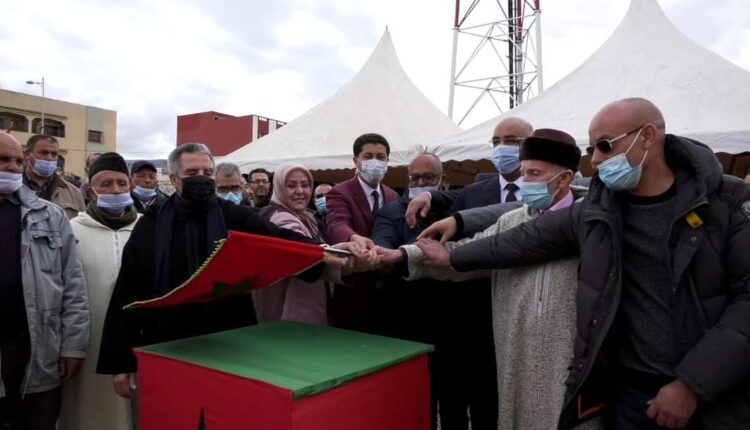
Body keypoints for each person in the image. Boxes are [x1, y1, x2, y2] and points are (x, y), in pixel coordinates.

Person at [420, 98, 750, 429]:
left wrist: (692, 384)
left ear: (648, 136)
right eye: (592, 149)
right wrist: (452, 255)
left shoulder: (729, 203)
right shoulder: (599, 209)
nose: (595, 160)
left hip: (713, 398)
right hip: (629, 395)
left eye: (605, 146)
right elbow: (525, 237)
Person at [97, 143, 365, 401]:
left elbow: (278, 241)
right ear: (174, 179)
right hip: (169, 339)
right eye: (192, 173)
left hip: (229, 336)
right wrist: (121, 360)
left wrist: (325, 251)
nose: (201, 178)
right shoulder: (152, 224)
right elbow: (128, 291)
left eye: (207, 172)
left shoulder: (232, 215)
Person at [378, 130, 597, 430]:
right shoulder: (511, 221)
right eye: (523, 173)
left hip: (567, 358)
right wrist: (403, 255)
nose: (525, 182)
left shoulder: (591, 223)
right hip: (514, 351)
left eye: (534, 174)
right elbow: (466, 253)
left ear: (565, 178)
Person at [0, 132, 89, 430]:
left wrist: (73, 346)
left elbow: (73, 283)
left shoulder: (49, 215)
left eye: (17, 160)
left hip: (38, 349)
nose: (12, 167)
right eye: (3, 160)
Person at [59, 152, 139, 430]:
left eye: (121, 183)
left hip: (136, 338)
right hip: (90, 339)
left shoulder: (146, 228)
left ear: (130, 186)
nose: (115, 190)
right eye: (106, 184)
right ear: (91, 190)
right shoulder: (71, 230)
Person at [254, 164, 372, 325]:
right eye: (291, 186)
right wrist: (347, 260)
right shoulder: (280, 218)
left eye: (305, 185)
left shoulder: (307, 217)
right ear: (279, 187)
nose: (300, 191)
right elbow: (304, 255)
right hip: (291, 314)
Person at [325, 133, 399, 332]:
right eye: (368, 156)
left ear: (387, 161)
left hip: (388, 287)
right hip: (354, 287)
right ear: (356, 161)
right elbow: (337, 223)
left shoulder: (393, 195)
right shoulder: (340, 192)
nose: (375, 162)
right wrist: (354, 238)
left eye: (380, 157)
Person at [404, 117, 534, 229]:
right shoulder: (474, 193)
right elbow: (452, 200)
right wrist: (427, 195)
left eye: (511, 141)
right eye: (495, 142)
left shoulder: (543, 190)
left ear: (532, 144)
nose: (501, 147)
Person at [22, 134, 86, 219]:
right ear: (27, 154)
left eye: (54, 154)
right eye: (43, 153)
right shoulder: (13, 187)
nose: (49, 158)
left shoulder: (73, 193)